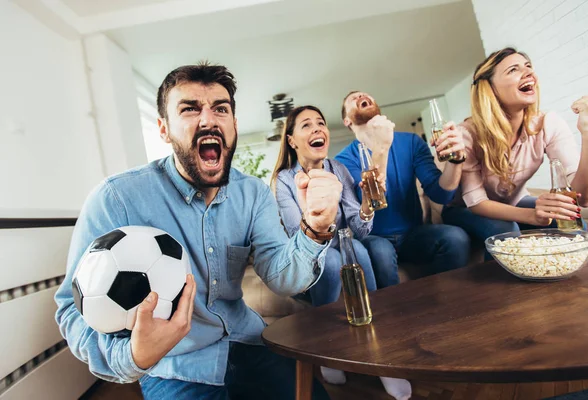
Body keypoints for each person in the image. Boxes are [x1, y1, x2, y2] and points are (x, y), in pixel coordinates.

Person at [54, 62, 342, 400]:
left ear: (234, 125)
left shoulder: (254, 194)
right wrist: (132, 357)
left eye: (220, 109)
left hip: (249, 341)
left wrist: (315, 230)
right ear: (164, 129)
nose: (208, 120)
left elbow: (282, 279)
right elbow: (72, 309)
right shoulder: (115, 198)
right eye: (190, 109)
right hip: (175, 364)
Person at [271, 105, 410, 399]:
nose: (317, 129)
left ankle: (381, 356)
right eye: (306, 125)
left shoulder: (340, 170)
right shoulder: (284, 180)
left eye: (320, 123)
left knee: (357, 248)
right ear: (292, 141)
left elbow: (360, 231)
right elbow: (300, 237)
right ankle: (329, 351)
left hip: (348, 246)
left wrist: (365, 205)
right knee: (334, 257)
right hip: (308, 257)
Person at [441, 47, 588, 255]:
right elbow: (478, 203)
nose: (529, 73)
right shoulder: (468, 134)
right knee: (505, 231)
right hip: (463, 209)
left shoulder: (548, 123)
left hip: (513, 200)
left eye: (528, 66)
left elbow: (583, 198)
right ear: (490, 88)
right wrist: (533, 215)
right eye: (513, 70)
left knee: (574, 224)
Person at [336, 91, 471, 281]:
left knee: (456, 238)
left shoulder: (412, 142)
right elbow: (371, 202)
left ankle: (445, 301)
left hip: (413, 235)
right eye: (353, 99)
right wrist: (381, 148)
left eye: (364, 95)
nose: (361, 96)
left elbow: (441, 194)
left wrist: (456, 159)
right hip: (374, 238)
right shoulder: (342, 161)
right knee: (380, 252)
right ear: (347, 121)